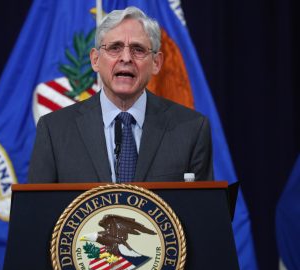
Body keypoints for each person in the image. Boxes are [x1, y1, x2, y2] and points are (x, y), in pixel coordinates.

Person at [28, 6, 213, 184]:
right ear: (95, 60)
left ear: (156, 63)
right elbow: (38, 213)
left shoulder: (191, 130)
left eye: (138, 49)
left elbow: (203, 212)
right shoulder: (54, 131)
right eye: (115, 47)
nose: (126, 58)